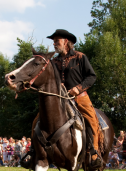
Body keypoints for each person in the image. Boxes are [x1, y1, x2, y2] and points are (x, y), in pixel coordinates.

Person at [33, 29, 101, 168]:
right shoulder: (53, 61)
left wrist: (78, 88)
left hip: (79, 97)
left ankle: (93, 154)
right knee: (37, 121)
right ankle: (33, 153)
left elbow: (91, 76)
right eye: (53, 41)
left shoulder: (80, 57)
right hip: (58, 99)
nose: (54, 44)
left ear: (66, 42)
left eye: (56, 41)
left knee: (91, 119)